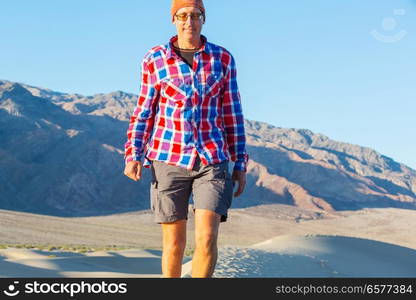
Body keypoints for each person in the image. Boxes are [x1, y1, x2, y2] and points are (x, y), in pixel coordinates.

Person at [123, 0, 249, 278]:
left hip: (212, 158)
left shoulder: (222, 59)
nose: (188, 21)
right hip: (168, 157)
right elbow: (144, 112)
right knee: (174, 244)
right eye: (182, 16)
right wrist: (133, 154)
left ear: (203, 19)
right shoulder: (155, 59)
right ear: (173, 20)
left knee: (206, 240)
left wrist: (240, 162)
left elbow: (233, 113)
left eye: (195, 15)